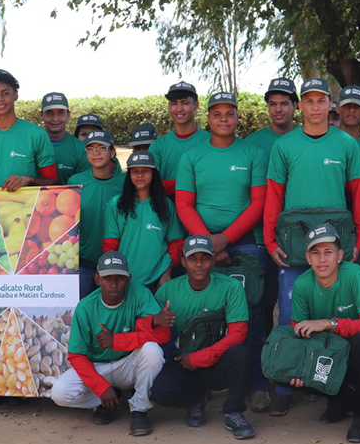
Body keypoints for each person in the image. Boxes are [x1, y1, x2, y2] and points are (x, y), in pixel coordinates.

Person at [264, 77, 360, 415]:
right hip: (295, 244)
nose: (314, 106)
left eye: (321, 100)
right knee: (292, 312)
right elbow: (274, 195)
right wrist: (269, 239)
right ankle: (283, 384)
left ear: (329, 105)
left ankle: (319, 380)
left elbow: (359, 196)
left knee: (332, 314)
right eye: (308, 101)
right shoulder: (285, 146)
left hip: (334, 244)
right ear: (301, 106)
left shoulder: (346, 145)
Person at [175, 92, 267, 412]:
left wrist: (225, 239)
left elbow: (258, 203)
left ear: (238, 117)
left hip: (243, 245)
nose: (224, 119)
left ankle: (255, 385)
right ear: (208, 118)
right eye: (218, 114)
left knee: (251, 315)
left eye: (230, 113)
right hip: (201, 245)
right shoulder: (192, 157)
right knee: (203, 316)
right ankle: (200, 389)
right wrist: (208, 243)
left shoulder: (253, 153)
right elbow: (184, 204)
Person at [281, 224, 360, 443]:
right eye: (316, 253)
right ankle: (340, 398)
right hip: (333, 359)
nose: (322, 259)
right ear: (308, 257)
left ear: (340, 255)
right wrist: (297, 369)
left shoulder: (355, 274)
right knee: (285, 367)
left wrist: (329, 323)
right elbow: (299, 334)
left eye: (328, 252)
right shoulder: (303, 283)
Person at [51, 251, 171, 436]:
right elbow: (76, 356)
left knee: (152, 351)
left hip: (128, 363)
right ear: (97, 279)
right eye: (108, 278)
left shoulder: (140, 294)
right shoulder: (86, 306)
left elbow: (162, 335)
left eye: (120, 278)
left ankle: (139, 408)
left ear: (128, 279)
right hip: (98, 366)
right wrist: (102, 388)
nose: (114, 284)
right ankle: (105, 401)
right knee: (60, 392)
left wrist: (117, 341)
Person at [150, 235, 256, 439]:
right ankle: (195, 399)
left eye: (205, 258)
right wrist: (156, 321)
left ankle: (234, 412)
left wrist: (199, 358)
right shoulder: (167, 291)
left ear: (213, 259)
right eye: (192, 258)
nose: (199, 264)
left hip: (214, 363)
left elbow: (238, 334)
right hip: (182, 362)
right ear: (183, 261)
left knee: (241, 352)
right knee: (158, 392)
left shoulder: (231, 287)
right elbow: (152, 331)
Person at [245, 77, 298, 405]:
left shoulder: (305, 139)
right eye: (272, 103)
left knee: (292, 309)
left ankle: (290, 377)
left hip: (297, 240)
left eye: (284, 103)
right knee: (261, 310)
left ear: (296, 106)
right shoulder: (253, 142)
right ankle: (260, 381)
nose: (278, 109)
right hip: (260, 238)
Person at [0, 68, 58, 190]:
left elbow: (54, 184)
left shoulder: (36, 134)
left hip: (27, 208)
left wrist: (30, 179)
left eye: (5, 93)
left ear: (15, 94)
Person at [103, 151, 182, 291]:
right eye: (135, 171)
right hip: (125, 280)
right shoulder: (116, 204)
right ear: (129, 175)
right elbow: (110, 244)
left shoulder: (166, 205)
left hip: (157, 282)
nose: (140, 175)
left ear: (153, 174)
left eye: (145, 171)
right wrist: (114, 275)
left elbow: (176, 243)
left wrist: (166, 272)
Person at [68, 130, 126, 297]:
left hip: (116, 264)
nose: (96, 153)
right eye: (91, 149)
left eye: (102, 148)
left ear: (112, 152)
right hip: (83, 264)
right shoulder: (75, 182)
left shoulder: (124, 183)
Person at [149, 81, 209, 196]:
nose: (179, 108)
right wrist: (192, 184)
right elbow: (151, 185)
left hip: (200, 211)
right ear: (169, 107)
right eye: (174, 103)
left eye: (185, 103)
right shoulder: (158, 146)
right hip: (165, 210)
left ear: (196, 105)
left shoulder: (209, 141)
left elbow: (211, 183)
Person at [40, 92, 89, 184]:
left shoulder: (80, 149)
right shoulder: (29, 144)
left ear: (68, 114)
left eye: (61, 113)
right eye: (49, 113)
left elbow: (84, 186)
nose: (55, 119)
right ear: (41, 115)